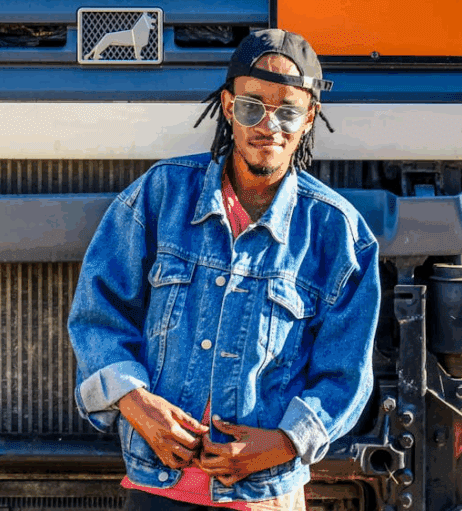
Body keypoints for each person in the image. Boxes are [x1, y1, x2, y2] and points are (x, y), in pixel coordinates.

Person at [67, 29, 381, 511]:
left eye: (287, 111)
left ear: (309, 118)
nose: (269, 126)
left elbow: (346, 374)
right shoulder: (161, 195)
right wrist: (134, 402)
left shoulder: (339, 235)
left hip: (265, 496)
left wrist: (283, 444)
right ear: (229, 107)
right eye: (253, 107)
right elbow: (98, 313)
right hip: (158, 487)